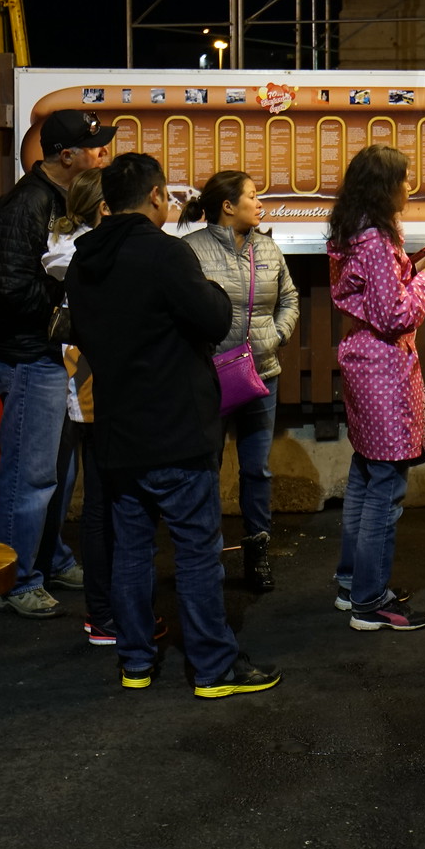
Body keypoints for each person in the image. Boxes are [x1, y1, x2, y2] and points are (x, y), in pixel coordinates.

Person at [66, 153, 280, 697]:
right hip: (176, 428)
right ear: (157, 196)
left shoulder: (84, 260)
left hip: (118, 429)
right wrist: (211, 289)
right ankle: (213, 667)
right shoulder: (166, 253)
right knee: (196, 549)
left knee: (132, 551)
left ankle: (135, 661)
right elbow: (214, 317)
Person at [0, 109, 115, 617]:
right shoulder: (29, 203)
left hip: (51, 355)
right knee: (31, 473)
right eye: (94, 146)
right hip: (29, 357)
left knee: (59, 469)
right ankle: (15, 580)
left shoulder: (58, 198)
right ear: (66, 155)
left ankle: (50, 558)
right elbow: (6, 286)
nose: (103, 153)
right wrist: (65, 307)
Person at [327, 144, 425, 632]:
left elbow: (373, 298)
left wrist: (409, 272)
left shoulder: (352, 231)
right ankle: (371, 601)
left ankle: (351, 583)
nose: (409, 187)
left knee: (365, 474)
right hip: (382, 370)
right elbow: (394, 315)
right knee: (386, 487)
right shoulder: (375, 240)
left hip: (362, 362)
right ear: (384, 188)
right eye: (404, 179)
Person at [183, 169, 299, 592]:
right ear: (228, 206)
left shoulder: (266, 247)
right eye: (252, 195)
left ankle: (257, 552)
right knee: (206, 468)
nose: (260, 202)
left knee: (257, 469)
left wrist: (277, 335)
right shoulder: (191, 250)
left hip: (261, 374)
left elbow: (289, 297)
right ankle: (205, 555)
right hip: (210, 376)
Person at [40, 168, 121, 645]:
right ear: (104, 207)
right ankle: (104, 612)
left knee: (101, 498)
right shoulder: (86, 253)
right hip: (94, 378)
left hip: (84, 376)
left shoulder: (68, 247)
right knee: (105, 500)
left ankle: (104, 609)